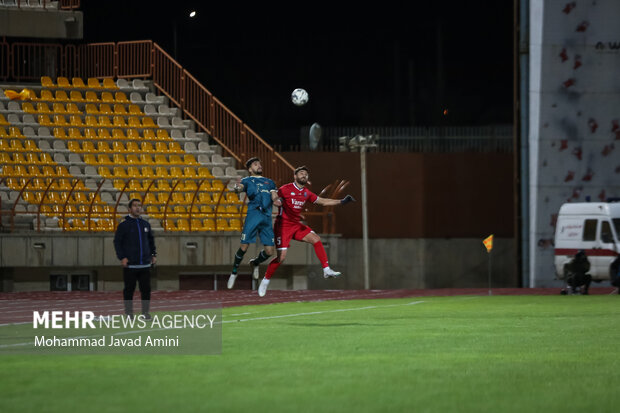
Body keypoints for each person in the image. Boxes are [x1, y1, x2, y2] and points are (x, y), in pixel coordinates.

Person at [258, 165, 355, 297]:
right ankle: (265, 280)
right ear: (295, 176)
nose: (304, 175)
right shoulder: (285, 189)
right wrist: (274, 199)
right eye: (301, 173)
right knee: (281, 257)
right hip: (283, 226)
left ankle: (326, 270)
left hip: (296, 225)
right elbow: (273, 194)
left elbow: (323, 201)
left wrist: (341, 201)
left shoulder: (306, 193)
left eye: (306, 174)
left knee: (316, 239)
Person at [227, 157, 282, 289]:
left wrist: (276, 200)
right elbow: (240, 187)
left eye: (259, 164)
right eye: (256, 164)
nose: (259, 166)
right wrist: (236, 188)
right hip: (253, 215)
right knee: (244, 247)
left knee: (269, 252)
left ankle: (255, 263)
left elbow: (274, 194)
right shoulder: (247, 180)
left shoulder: (269, 182)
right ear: (250, 169)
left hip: (266, 218)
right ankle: (234, 272)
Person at [113, 199, 157, 319]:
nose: (138, 208)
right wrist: (122, 257)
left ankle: (145, 313)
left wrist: (153, 254)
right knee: (129, 290)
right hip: (130, 265)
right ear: (129, 209)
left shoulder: (145, 224)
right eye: (135, 206)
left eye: (139, 206)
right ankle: (128, 314)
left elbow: (151, 241)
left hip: (145, 265)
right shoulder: (123, 225)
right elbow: (117, 242)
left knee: (146, 290)